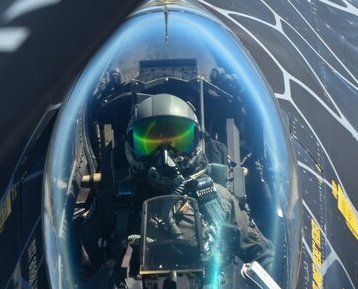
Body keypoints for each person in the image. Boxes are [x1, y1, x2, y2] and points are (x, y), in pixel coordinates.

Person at [80, 93, 272, 277]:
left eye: (178, 142)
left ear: (195, 142)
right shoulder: (113, 203)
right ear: (132, 146)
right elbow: (80, 271)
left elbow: (263, 256)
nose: (165, 155)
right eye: (151, 143)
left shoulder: (218, 200)